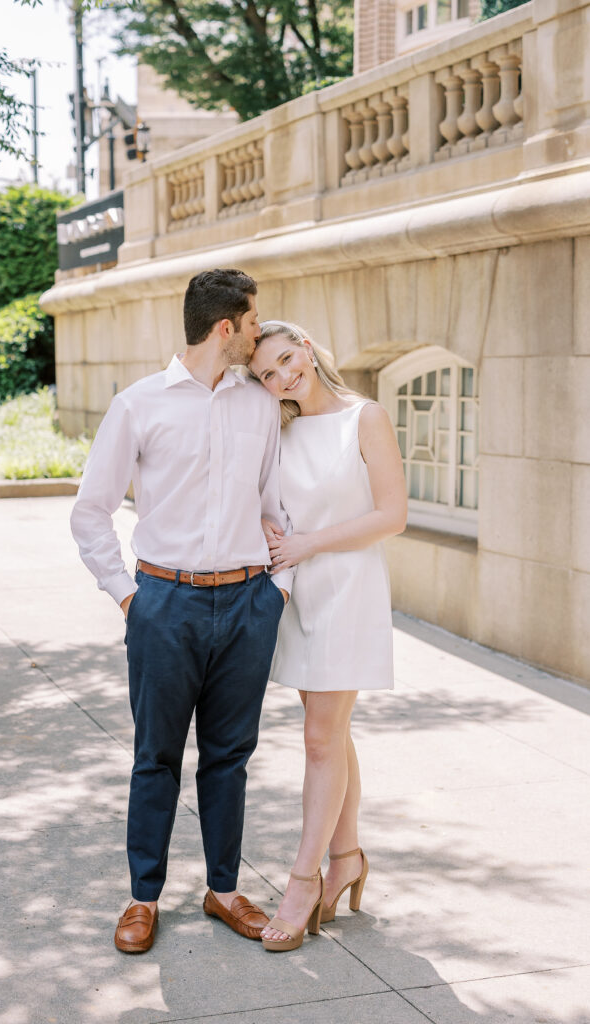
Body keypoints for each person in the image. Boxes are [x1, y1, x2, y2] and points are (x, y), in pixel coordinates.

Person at [70, 270, 293, 954]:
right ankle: (142, 898)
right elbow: (91, 512)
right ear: (224, 328)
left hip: (247, 600)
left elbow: (274, 503)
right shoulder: (139, 405)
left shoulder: (257, 406)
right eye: (253, 322)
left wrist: (275, 592)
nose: (259, 333)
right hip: (164, 603)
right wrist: (132, 597)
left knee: (229, 757)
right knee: (155, 756)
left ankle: (223, 891)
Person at [248, 320, 407, 952]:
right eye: (267, 373)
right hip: (298, 593)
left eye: (287, 359)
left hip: (348, 588)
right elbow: (272, 505)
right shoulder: (277, 427)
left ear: (307, 349)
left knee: (318, 738)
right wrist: (268, 524)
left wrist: (308, 543)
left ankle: (301, 881)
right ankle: (347, 859)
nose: (283, 376)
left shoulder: (364, 417)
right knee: (330, 735)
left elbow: (391, 515)